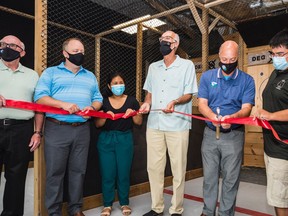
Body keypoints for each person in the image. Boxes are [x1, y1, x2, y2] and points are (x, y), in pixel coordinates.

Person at [34, 38, 103, 216]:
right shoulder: (51, 73)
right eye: (75, 51)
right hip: (57, 128)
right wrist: (62, 104)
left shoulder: (90, 76)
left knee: (78, 171)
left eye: (81, 50)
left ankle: (75, 209)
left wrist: (93, 107)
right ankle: (54, 212)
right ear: (65, 53)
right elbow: (40, 97)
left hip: (82, 130)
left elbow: (98, 98)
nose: (80, 54)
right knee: (55, 173)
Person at [140, 30, 198, 216]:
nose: (163, 42)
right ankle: (156, 208)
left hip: (178, 124)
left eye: (167, 40)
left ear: (175, 44)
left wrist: (175, 102)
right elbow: (149, 92)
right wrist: (146, 103)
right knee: (153, 168)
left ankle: (176, 209)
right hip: (154, 124)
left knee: (178, 169)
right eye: (161, 39)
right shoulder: (153, 67)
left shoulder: (187, 65)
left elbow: (189, 94)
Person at [198, 40, 255, 216]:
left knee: (231, 179)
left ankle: (225, 213)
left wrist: (233, 117)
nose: (227, 63)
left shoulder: (247, 80)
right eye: (224, 59)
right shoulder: (207, 77)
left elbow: (246, 108)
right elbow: (202, 105)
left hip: (233, 135)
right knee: (209, 178)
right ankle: (208, 212)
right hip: (210, 134)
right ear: (219, 57)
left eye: (231, 60)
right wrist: (212, 116)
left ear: (237, 58)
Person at [0, 35, 44, 216]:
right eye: (2, 44)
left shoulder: (33, 75)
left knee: (16, 179)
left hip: (22, 130)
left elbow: (39, 106)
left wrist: (37, 132)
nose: (5, 47)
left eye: (12, 45)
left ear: (22, 52)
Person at [95, 72, 142, 216]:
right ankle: (107, 204)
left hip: (124, 139)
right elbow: (98, 124)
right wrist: (105, 116)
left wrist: (134, 113)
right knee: (108, 173)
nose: (118, 85)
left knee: (123, 173)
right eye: (115, 83)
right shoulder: (102, 101)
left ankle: (124, 203)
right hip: (106, 140)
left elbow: (138, 122)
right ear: (109, 86)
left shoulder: (132, 101)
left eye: (120, 82)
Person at [255, 29, 288, 216]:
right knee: (278, 197)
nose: (275, 58)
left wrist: (270, 116)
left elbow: (272, 112)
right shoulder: (277, 72)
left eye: (280, 54)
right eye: (273, 54)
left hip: (283, 149)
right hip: (271, 145)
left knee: (280, 198)